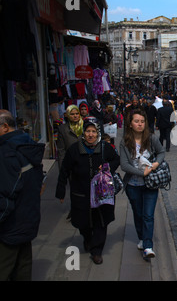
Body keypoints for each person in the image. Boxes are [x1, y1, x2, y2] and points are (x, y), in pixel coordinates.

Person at [55, 121, 120, 265]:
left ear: (98, 133)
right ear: (83, 133)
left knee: (101, 222)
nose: (91, 135)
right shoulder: (74, 150)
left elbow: (117, 159)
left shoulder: (105, 147)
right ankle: (87, 238)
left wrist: (107, 167)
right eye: (88, 131)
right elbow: (65, 169)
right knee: (82, 222)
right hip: (81, 192)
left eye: (94, 132)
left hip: (101, 193)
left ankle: (97, 251)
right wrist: (61, 190)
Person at [0, 110, 45, 280]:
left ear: (5, 127)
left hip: (10, 226)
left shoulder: (6, 152)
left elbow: (5, 195)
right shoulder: (27, 145)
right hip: (28, 220)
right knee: (23, 269)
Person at [120, 109, 165, 261]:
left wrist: (155, 164)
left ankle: (148, 246)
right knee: (138, 214)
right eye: (136, 121)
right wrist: (141, 173)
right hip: (133, 185)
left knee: (148, 215)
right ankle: (142, 237)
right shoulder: (125, 142)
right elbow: (124, 165)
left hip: (150, 184)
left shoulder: (151, 138)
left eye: (142, 121)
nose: (140, 124)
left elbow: (161, 152)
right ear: (130, 124)